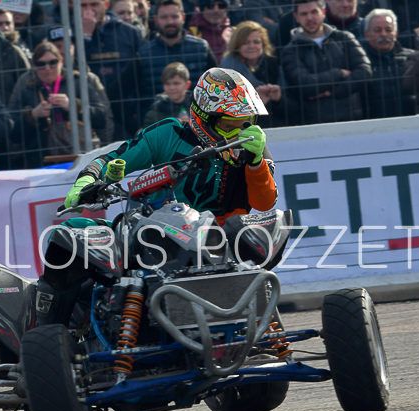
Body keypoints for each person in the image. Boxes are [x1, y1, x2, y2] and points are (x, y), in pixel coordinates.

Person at [35, 67, 276, 327]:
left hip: (219, 246)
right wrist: (87, 180)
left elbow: (264, 203)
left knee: (265, 237)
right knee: (70, 233)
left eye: (246, 122)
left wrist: (255, 163)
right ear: (204, 117)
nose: (239, 131)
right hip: (154, 239)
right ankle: (50, 329)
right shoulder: (169, 133)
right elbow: (115, 158)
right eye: (229, 125)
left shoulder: (254, 149)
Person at [9, 42, 113, 168]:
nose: (47, 68)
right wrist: (33, 115)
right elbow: (13, 132)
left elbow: (101, 118)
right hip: (41, 160)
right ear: (34, 67)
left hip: (80, 156)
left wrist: (74, 107)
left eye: (53, 62)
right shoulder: (26, 88)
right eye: (41, 64)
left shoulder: (77, 82)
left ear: (61, 62)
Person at [281, 0, 372, 124]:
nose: (310, 18)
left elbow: (364, 72)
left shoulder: (344, 38)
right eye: (304, 14)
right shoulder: (291, 51)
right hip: (315, 123)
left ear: (323, 12)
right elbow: (305, 85)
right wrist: (338, 73)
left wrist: (329, 92)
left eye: (314, 12)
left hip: (353, 119)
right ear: (296, 17)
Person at [220, 20, 289, 127]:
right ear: (237, 45)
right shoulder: (228, 69)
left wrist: (279, 99)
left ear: (263, 44)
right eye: (245, 43)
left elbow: (294, 111)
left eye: (256, 42)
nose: (252, 46)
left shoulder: (273, 65)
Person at [362, 8, 415, 118]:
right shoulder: (361, 62)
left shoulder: (412, 57)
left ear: (396, 33)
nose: (383, 34)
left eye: (388, 30)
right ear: (366, 35)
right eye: (377, 30)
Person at [81, 0, 144, 89]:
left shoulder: (129, 31)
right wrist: (86, 35)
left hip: (126, 94)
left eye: (94, 4)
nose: (89, 10)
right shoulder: (71, 32)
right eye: (83, 5)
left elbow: (141, 68)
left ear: (106, 4)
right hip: (91, 94)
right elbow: (76, 66)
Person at [143, 62, 193, 127]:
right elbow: (149, 132)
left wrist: (192, 125)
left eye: (176, 83)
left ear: (187, 84)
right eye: (167, 84)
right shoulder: (157, 109)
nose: (172, 88)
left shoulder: (197, 106)